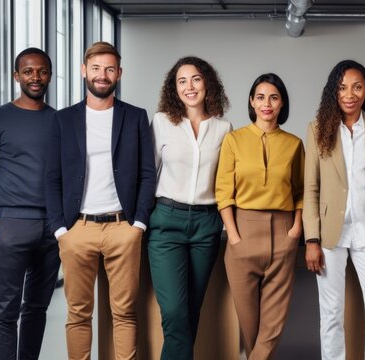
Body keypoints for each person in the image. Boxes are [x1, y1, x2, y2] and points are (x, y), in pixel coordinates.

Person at [45, 41, 156, 359]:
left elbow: (147, 173)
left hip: (123, 228)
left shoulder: (135, 117)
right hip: (77, 229)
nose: (102, 75)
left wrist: (138, 224)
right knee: (78, 315)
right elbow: (52, 178)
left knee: (124, 314)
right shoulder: (63, 120)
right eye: (95, 68)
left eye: (109, 69)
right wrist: (60, 231)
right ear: (84, 71)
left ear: (119, 74)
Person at [303, 59, 365, 360]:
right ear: (334, 92)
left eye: (357, 87)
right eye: (343, 87)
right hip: (330, 233)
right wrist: (311, 239)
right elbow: (310, 188)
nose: (350, 93)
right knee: (331, 314)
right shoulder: (318, 128)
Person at [0, 47, 60, 360]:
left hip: (52, 230)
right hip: (11, 228)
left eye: (42, 71)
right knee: (4, 313)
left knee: (37, 309)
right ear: (16, 76)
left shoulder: (59, 121)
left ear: (50, 75)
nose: (35, 77)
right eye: (28, 71)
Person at [215, 73, 304, 359]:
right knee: (250, 324)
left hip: (283, 230)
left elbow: (302, 191)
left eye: (274, 97)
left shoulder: (294, 144)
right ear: (252, 102)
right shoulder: (234, 140)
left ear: (282, 104)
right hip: (243, 231)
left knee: (273, 324)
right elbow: (223, 192)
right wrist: (234, 235)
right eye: (261, 97)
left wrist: (295, 230)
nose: (267, 103)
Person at [148, 56, 231, 359]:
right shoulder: (161, 122)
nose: (189, 86)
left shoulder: (223, 128)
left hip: (206, 224)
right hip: (166, 222)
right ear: (174, 88)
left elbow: (225, 181)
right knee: (173, 311)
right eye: (181, 81)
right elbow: (148, 174)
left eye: (195, 78)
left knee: (191, 310)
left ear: (207, 82)